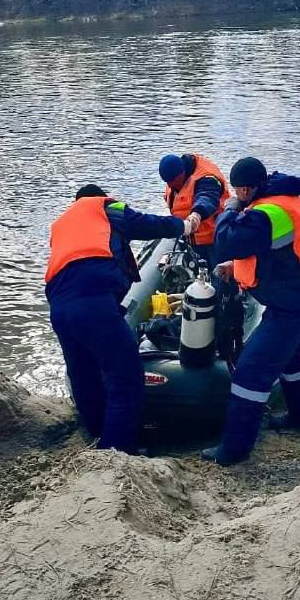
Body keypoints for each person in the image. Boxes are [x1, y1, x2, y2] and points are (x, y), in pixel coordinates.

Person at [45, 183, 194, 454]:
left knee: (83, 374)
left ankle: (96, 435)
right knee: (126, 378)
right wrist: (184, 226)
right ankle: (117, 451)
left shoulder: (62, 224)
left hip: (59, 309)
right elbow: (148, 224)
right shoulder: (106, 208)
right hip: (95, 302)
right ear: (100, 198)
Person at [203, 157, 300, 466]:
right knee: (295, 359)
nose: (236, 194)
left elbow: (227, 240)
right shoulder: (279, 200)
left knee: (250, 371)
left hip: (292, 303)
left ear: (245, 189)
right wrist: (236, 267)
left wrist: (229, 209)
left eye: (237, 190)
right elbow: (270, 250)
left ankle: (234, 449)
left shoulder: (270, 212)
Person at [158, 153, 230, 267]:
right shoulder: (172, 180)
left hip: (215, 240)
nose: (170, 185)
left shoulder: (206, 178)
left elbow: (207, 197)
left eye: (173, 181)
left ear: (181, 173)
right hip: (191, 239)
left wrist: (196, 215)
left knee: (219, 278)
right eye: (167, 182)